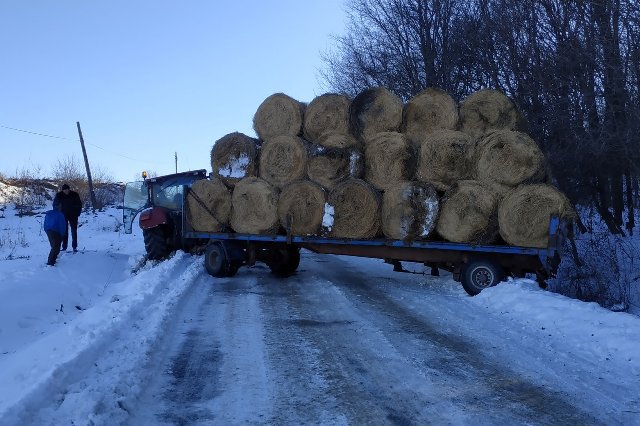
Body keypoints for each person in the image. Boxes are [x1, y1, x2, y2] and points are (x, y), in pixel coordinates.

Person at [53, 183, 83, 252]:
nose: (66, 191)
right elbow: (55, 205)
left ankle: (74, 247)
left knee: (74, 231)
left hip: (73, 215)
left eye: (67, 189)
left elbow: (79, 205)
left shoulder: (75, 194)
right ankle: (64, 247)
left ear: (69, 189)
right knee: (64, 231)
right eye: (65, 190)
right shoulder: (59, 195)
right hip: (63, 216)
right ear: (62, 190)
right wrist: (58, 214)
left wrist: (78, 213)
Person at [43, 201, 67, 266]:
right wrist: (62, 235)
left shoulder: (48, 214)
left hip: (49, 231)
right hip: (57, 233)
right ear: (59, 206)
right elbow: (62, 226)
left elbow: (45, 224)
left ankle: (52, 261)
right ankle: (50, 263)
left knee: (54, 247)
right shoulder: (60, 214)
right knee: (56, 247)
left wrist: (47, 231)